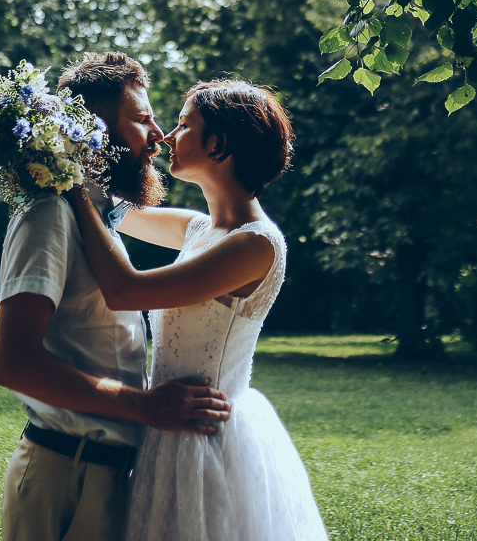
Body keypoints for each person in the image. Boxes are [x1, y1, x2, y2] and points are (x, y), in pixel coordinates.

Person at [66, 79, 329, 541]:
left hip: (205, 436)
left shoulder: (256, 245)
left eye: (184, 124)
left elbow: (124, 291)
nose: (166, 135)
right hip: (165, 422)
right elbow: (117, 213)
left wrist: (67, 185)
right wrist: (67, 148)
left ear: (218, 144)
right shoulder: (200, 228)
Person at [0, 52, 232, 541]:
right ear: (95, 129)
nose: (158, 134)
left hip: (109, 474)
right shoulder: (48, 215)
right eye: (142, 119)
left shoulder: (102, 221)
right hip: (64, 477)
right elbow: (13, 363)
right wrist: (144, 405)